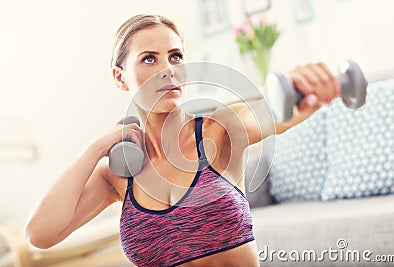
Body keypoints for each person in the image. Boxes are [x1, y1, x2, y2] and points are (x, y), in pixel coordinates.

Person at [25, 14, 340, 267]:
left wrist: (305, 90)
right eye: (149, 59)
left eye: (175, 57)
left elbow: (278, 113)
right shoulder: (117, 175)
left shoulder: (219, 130)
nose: (168, 70)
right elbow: (39, 234)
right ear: (120, 77)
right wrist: (94, 150)